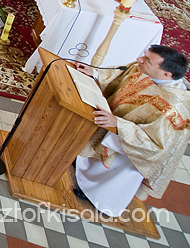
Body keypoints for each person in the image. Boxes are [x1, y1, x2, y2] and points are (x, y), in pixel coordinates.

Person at [74, 46, 190, 217]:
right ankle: (83, 168)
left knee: (114, 175)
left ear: (166, 75)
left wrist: (119, 125)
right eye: (145, 55)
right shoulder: (148, 71)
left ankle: (100, 199)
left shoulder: (174, 109)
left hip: (134, 150)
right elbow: (122, 74)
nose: (139, 60)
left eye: (147, 60)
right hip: (115, 124)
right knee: (92, 156)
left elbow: (156, 145)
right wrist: (95, 74)